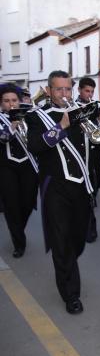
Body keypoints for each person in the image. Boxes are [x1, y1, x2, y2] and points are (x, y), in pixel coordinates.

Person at [26, 70, 94, 314]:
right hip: (54, 188)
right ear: (50, 90)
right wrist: (62, 125)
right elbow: (34, 146)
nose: (64, 94)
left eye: (68, 89)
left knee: (77, 239)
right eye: (59, 89)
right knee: (61, 241)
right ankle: (70, 294)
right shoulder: (36, 117)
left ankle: (69, 264)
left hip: (80, 186)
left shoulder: (82, 113)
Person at [0, 84, 39, 258]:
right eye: (7, 101)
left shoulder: (29, 117)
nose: (11, 104)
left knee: (28, 202)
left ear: (19, 101)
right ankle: (19, 242)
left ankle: (18, 229)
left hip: (28, 166)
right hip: (7, 167)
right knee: (11, 206)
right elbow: (3, 138)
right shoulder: (1, 119)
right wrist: (14, 123)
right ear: (1, 103)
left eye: (14, 100)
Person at [76, 77, 99, 242]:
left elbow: (96, 128)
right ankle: (88, 228)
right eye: (87, 91)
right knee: (81, 195)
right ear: (79, 90)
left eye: (92, 91)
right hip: (77, 156)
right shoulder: (72, 107)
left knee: (92, 191)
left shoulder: (94, 107)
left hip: (91, 157)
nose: (89, 94)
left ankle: (91, 224)